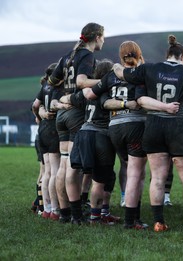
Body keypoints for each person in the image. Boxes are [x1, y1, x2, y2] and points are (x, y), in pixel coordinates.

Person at [112, 35, 183, 232]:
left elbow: (123, 74)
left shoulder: (150, 68)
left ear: (167, 54)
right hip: (180, 127)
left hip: (154, 126)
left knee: (157, 177)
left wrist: (115, 65)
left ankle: (158, 222)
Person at [83, 41, 179, 229]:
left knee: (126, 168)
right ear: (139, 54)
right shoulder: (141, 74)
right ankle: (131, 220)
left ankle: (104, 213)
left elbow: (91, 95)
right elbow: (147, 99)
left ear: (121, 57)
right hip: (135, 126)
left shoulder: (111, 74)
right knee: (136, 174)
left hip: (114, 128)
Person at [48, 22, 105, 223]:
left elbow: (52, 82)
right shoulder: (87, 55)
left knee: (64, 166)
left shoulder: (67, 56)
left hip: (62, 115)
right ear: (97, 37)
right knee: (73, 169)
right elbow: (81, 82)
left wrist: (63, 95)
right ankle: (77, 216)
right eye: (103, 37)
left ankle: (65, 214)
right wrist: (105, 82)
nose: (103, 41)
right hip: (75, 114)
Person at [32, 63, 61, 220]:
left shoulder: (44, 88)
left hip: (42, 131)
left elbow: (35, 105)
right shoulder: (58, 89)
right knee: (53, 172)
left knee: (46, 172)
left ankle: (44, 207)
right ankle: (53, 209)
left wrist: (38, 116)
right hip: (53, 131)